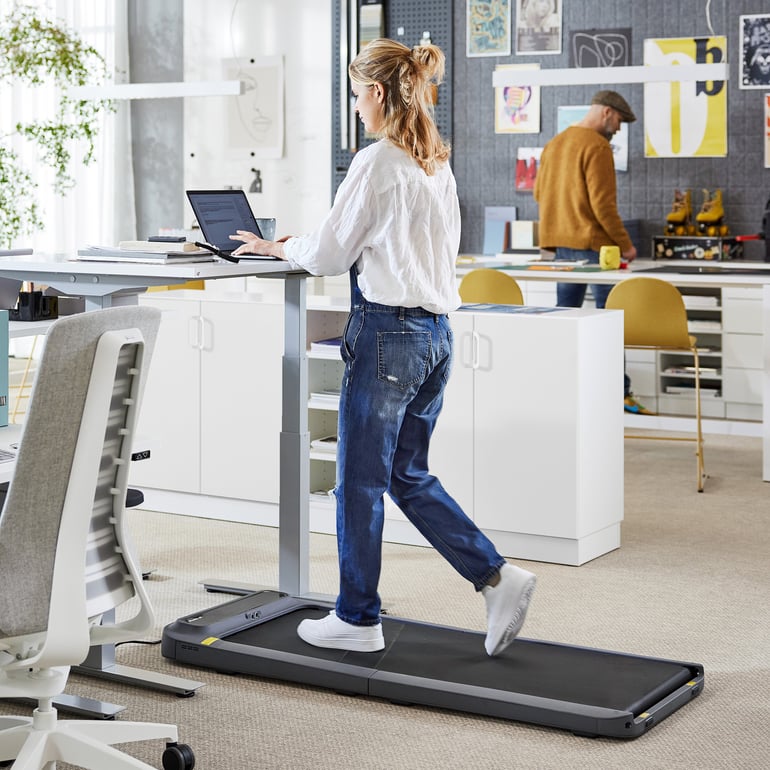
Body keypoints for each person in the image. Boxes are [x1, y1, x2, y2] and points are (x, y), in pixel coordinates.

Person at [230, 38, 536, 657]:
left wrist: (274, 247)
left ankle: (357, 616)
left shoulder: (376, 162)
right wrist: (310, 240)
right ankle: (498, 578)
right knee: (406, 473)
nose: (356, 108)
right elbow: (390, 241)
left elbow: (330, 256)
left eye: (356, 95)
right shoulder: (432, 162)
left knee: (359, 482)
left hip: (388, 334)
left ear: (374, 93)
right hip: (434, 335)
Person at [533, 89, 652, 415]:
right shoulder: (597, 146)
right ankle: (617, 396)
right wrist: (625, 244)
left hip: (561, 248)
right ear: (606, 113)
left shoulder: (555, 144)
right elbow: (604, 206)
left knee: (566, 318)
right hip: (596, 249)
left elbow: (538, 192)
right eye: (619, 122)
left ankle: (564, 391)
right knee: (608, 321)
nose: (618, 129)